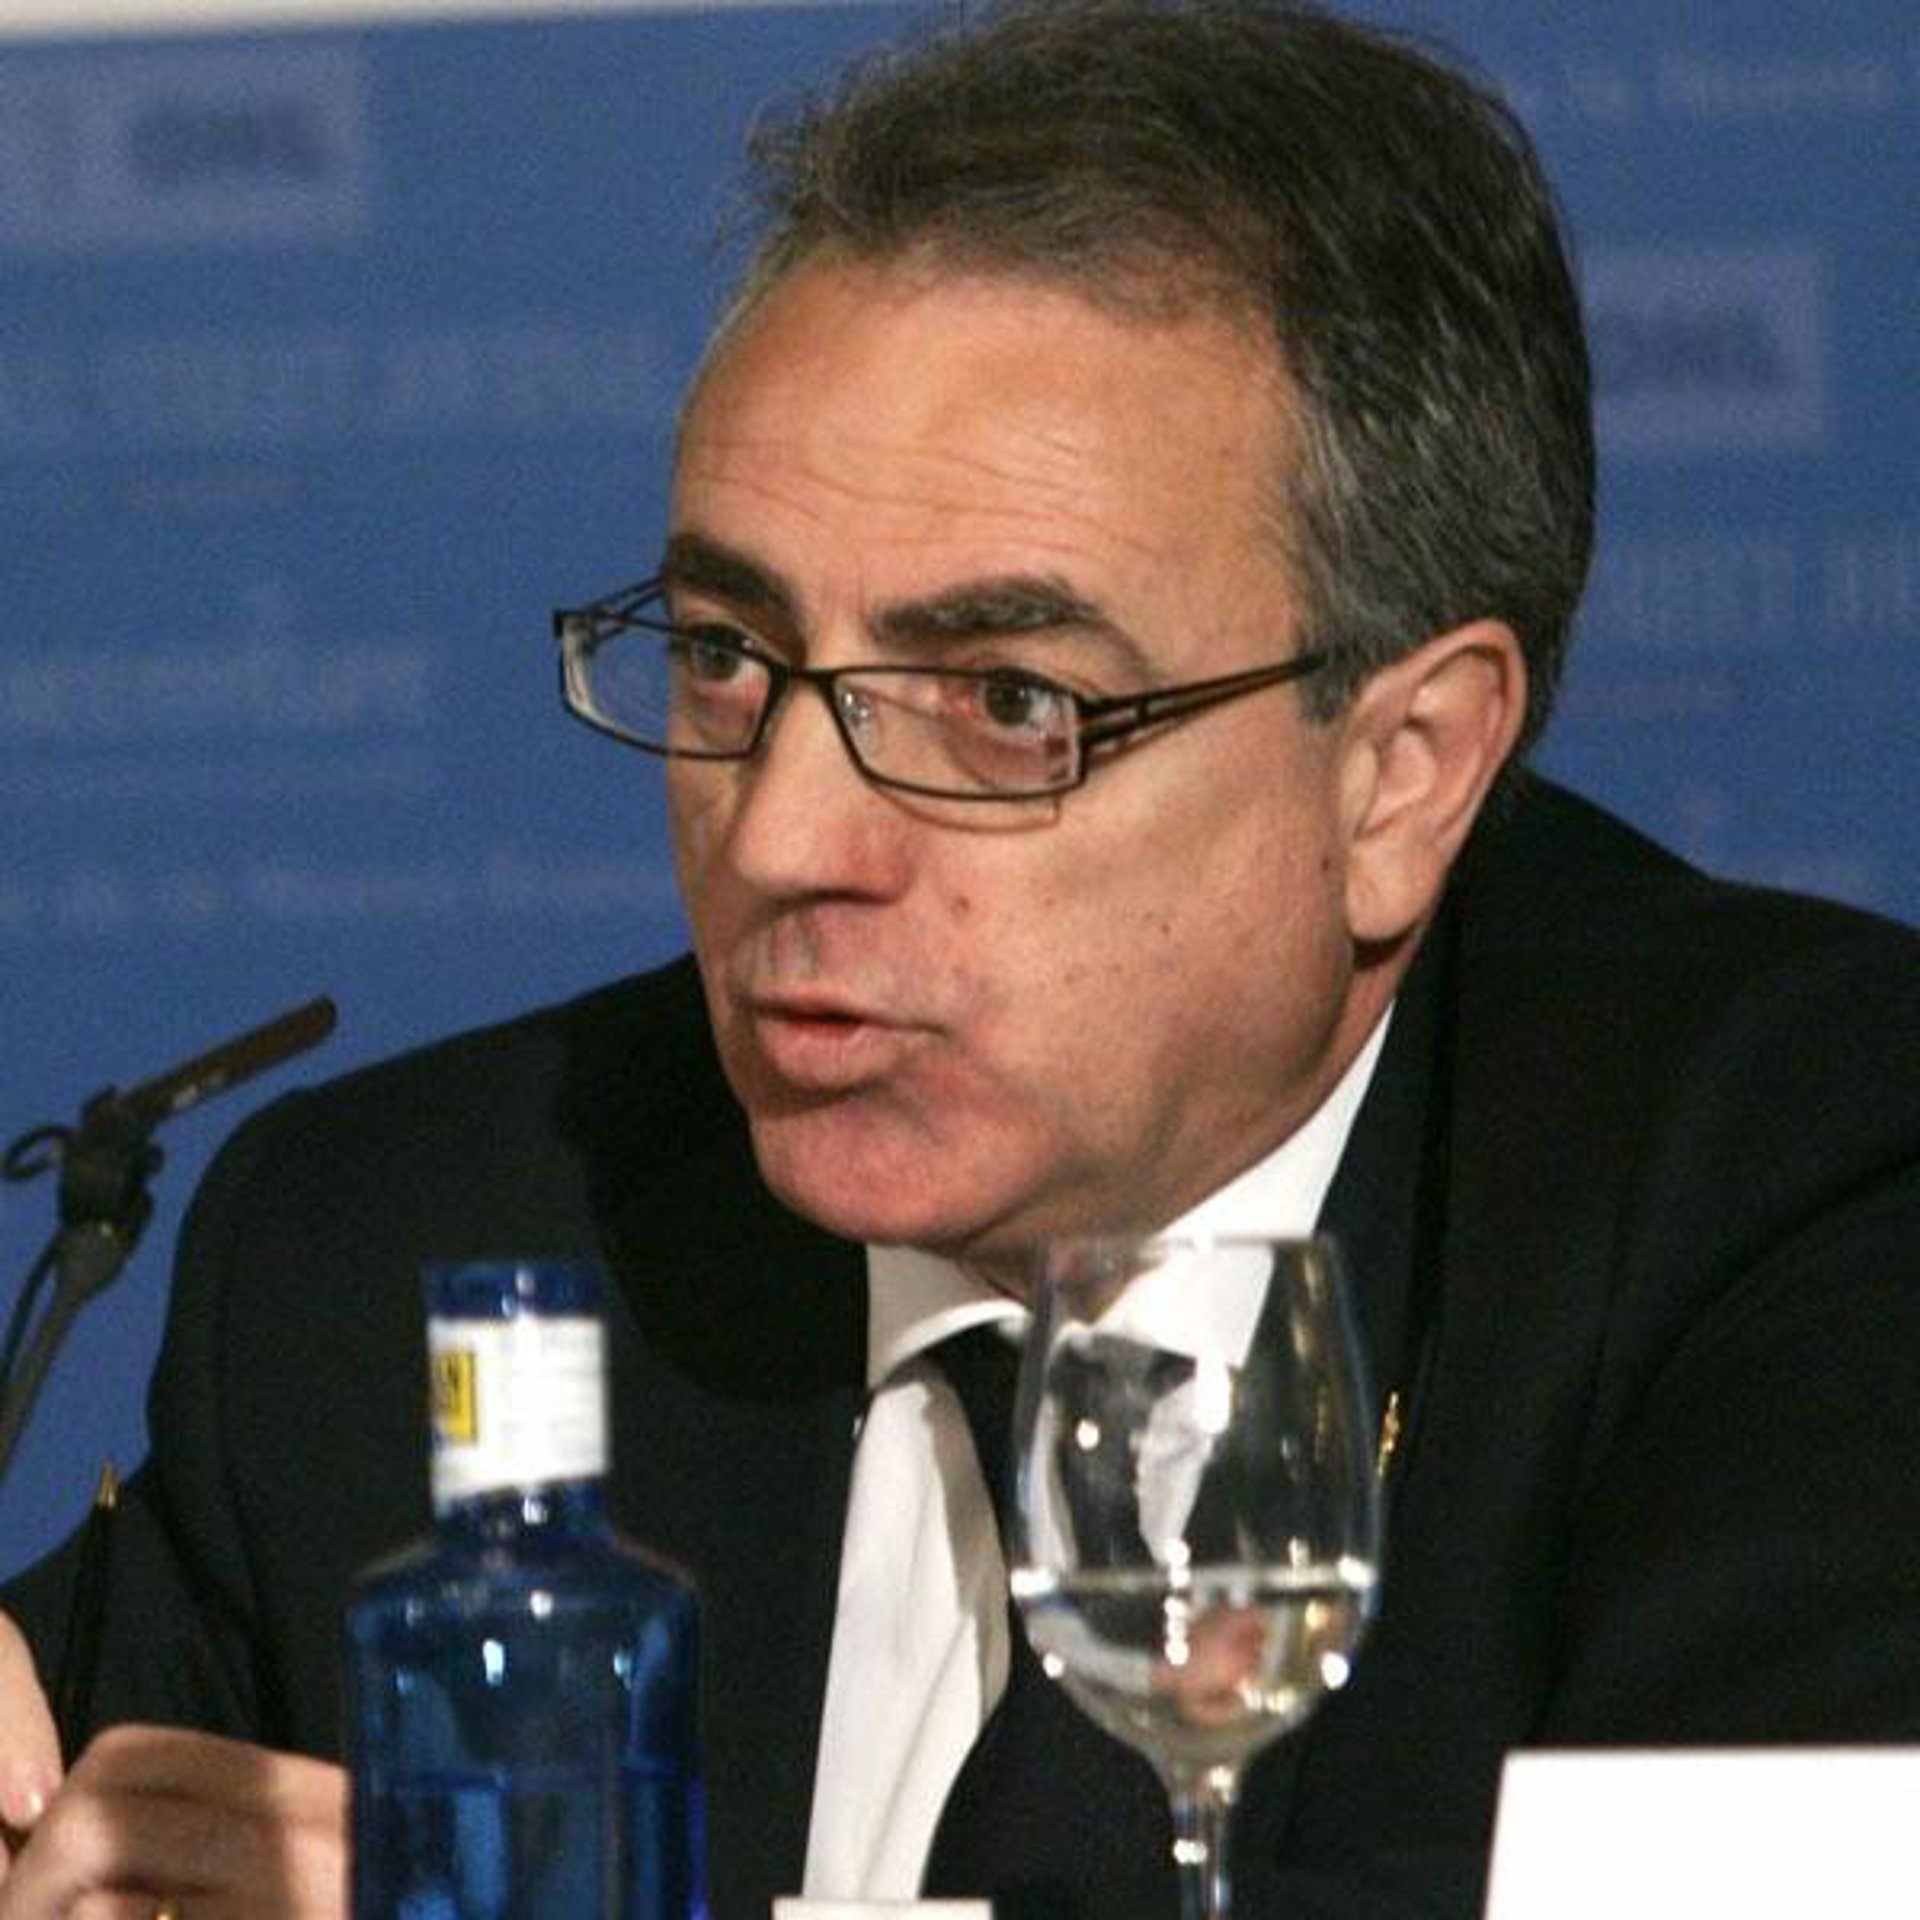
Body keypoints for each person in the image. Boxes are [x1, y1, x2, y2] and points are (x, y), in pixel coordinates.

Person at [4, 0, 1919, 1914]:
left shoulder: (1793, 1195)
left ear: (1400, 774)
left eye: (1009, 703)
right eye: (726, 657)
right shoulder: (413, 1252)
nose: (783, 838)